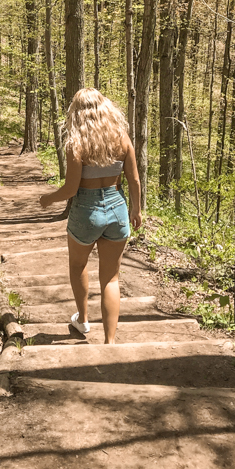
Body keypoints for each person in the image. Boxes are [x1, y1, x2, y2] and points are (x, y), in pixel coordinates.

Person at [39, 88, 142, 344]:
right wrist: (136, 210)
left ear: (77, 112)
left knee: (78, 265)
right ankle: (110, 341)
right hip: (117, 207)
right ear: (105, 108)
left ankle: (83, 320)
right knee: (111, 277)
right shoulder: (121, 137)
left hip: (86, 211)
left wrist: (47, 199)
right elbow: (135, 180)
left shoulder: (77, 143)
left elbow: (71, 189)